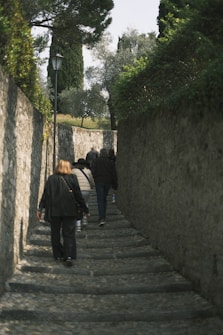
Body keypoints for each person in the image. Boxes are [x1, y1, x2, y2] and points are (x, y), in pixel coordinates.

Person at [36, 159, 89, 267]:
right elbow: (78, 195)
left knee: (55, 233)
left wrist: (40, 209)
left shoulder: (51, 179)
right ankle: (68, 256)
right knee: (68, 234)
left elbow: (45, 195)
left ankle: (58, 255)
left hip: (55, 211)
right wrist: (85, 209)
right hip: (69, 211)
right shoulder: (73, 178)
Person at [92, 148, 118, 226]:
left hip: (99, 182)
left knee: (100, 199)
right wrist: (115, 183)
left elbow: (94, 171)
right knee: (104, 198)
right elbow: (113, 173)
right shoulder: (110, 162)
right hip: (107, 182)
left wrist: (94, 180)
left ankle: (102, 217)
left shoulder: (96, 161)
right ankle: (103, 216)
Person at [72, 158, 95, 232]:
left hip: (77, 190)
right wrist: (91, 187)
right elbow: (92, 181)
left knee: (78, 206)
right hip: (87, 190)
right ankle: (85, 220)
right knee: (85, 203)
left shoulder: (73, 171)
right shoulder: (88, 171)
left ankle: (78, 225)